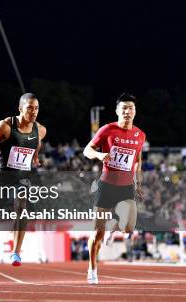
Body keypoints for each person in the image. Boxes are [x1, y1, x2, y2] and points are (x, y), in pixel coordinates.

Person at [0, 93, 46, 266]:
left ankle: (16, 252)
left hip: (22, 177)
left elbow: (36, 143)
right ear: (20, 108)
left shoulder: (41, 130)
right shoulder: (5, 126)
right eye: (30, 108)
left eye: (36, 108)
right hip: (2, 176)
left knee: (21, 207)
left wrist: (35, 158)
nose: (34, 111)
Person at [83, 92, 145, 284]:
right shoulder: (107, 130)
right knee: (97, 233)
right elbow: (87, 150)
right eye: (124, 108)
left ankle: (114, 226)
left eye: (131, 108)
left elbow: (137, 161)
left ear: (135, 112)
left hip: (126, 188)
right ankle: (92, 269)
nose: (128, 111)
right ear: (118, 110)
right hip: (106, 187)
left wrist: (139, 182)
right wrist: (100, 156)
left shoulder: (140, 135)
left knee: (129, 226)